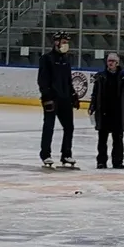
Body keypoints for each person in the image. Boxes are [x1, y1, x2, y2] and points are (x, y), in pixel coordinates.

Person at [89, 52, 124, 169]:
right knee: (102, 139)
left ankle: (117, 161)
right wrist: (92, 107)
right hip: (104, 111)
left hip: (118, 112)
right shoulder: (100, 77)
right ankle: (101, 161)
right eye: (109, 61)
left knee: (118, 140)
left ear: (117, 63)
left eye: (113, 61)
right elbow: (95, 94)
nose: (110, 63)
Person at [38, 33, 77, 168]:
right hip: (52, 99)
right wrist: (47, 97)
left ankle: (66, 154)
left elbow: (68, 80)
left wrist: (73, 95)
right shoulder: (47, 59)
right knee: (49, 126)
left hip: (65, 98)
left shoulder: (66, 60)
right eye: (64, 41)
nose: (66, 44)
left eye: (67, 42)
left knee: (69, 127)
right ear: (56, 43)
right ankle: (45, 154)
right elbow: (42, 80)